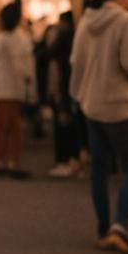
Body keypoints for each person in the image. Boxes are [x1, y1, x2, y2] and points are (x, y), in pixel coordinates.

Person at [70, 0, 128, 254]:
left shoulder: (86, 21)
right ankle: (120, 226)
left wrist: (79, 95)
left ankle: (103, 227)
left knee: (99, 170)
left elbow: (76, 62)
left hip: (92, 104)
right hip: (120, 104)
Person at [0, 0, 37, 179]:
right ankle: (10, 161)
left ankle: (2, 160)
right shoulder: (19, 40)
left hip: (1, 88)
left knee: (2, 125)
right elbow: (24, 67)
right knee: (11, 126)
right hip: (12, 88)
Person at [46, 11, 82, 178]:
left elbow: (46, 54)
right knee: (71, 125)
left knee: (64, 125)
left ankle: (66, 161)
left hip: (64, 88)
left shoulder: (63, 40)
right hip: (74, 89)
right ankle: (73, 160)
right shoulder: (76, 39)